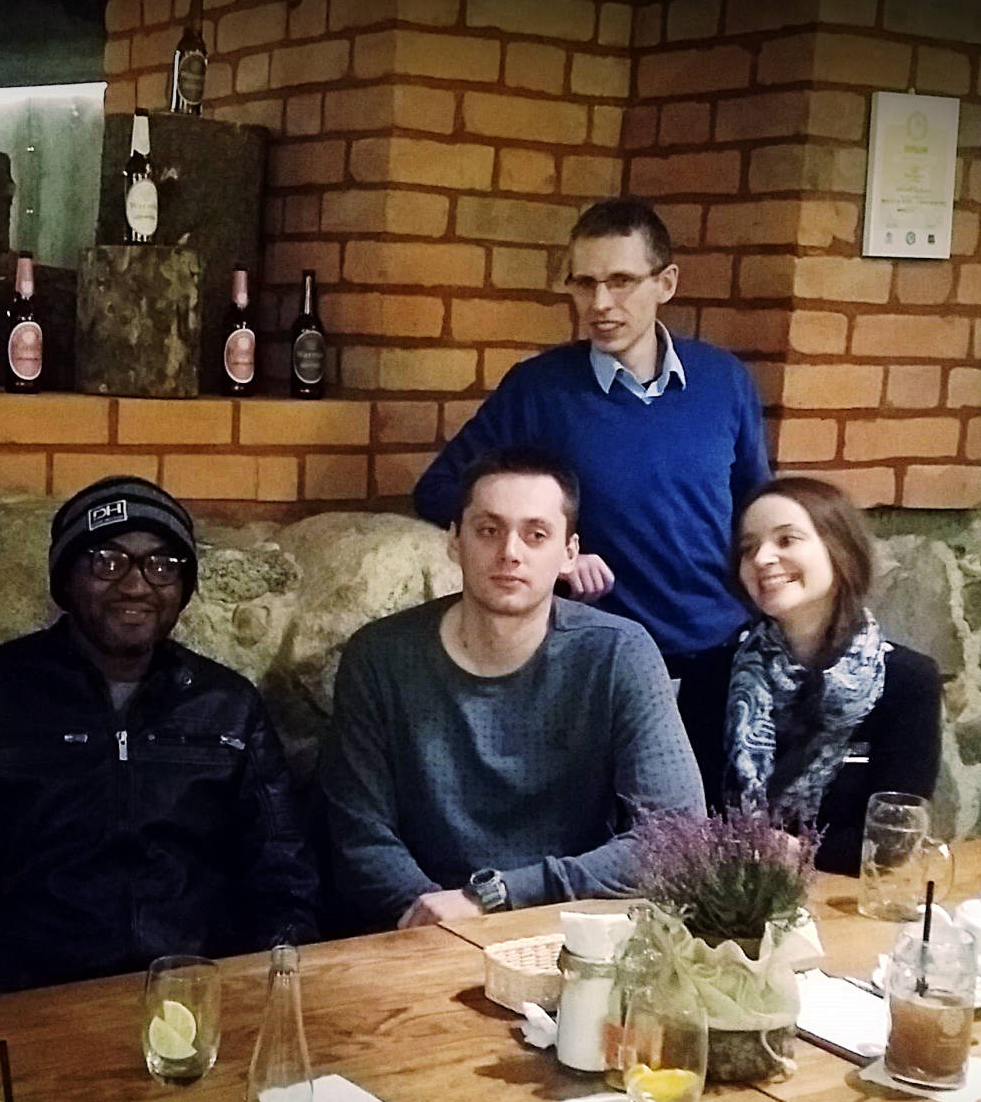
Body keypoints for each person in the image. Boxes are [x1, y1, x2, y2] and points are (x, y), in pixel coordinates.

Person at [0, 476, 319, 1001]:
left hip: (193, 996)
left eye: (162, 565)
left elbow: (283, 873)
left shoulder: (228, 705)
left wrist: (266, 982)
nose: (137, 585)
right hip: (24, 1002)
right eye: (107, 561)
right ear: (65, 579)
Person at [323, 447, 705, 931]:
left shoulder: (618, 653)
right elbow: (359, 836)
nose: (510, 552)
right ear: (454, 541)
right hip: (419, 927)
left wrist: (496, 897)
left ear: (569, 553)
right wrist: (434, 916)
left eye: (536, 534)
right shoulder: (380, 657)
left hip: (570, 927)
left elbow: (675, 834)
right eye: (489, 530)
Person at [413, 196, 771, 673]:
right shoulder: (539, 388)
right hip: (599, 654)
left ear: (666, 283)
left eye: (620, 281)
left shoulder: (724, 379)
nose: (600, 304)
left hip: (725, 650)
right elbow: (439, 489)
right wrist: (554, 551)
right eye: (584, 283)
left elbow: (757, 507)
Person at [675, 477, 941, 875]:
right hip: (726, 894)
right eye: (748, 548)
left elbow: (894, 839)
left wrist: (796, 853)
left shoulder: (907, 682)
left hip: (845, 899)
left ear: (840, 550)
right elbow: (688, 816)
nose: (762, 558)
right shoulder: (709, 676)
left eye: (786, 540)